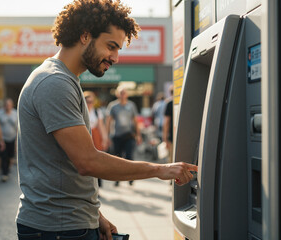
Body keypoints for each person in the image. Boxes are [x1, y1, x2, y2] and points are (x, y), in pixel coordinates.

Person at [15, 1, 197, 239]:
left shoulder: (64, 80)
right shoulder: (54, 82)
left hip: (67, 223)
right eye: (111, 46)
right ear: (84, 35)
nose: (116, 57)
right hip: (58, 228)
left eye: (118, 49)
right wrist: (160, 169)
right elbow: (87, 161)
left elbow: (63, 165)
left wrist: (94, 216)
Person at [106, 86, 141, 187]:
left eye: (124, 93)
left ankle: (130, 178)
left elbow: (135, 121)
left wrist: (138, 135)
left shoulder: (131, 105)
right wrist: (107, 136)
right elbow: (108, 122)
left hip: (129, 135)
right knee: (117, 158)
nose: (122, 95)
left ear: (127, 94)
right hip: (117, 136)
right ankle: (117, 179)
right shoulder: (113, 106)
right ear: (117, 94)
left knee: (129, 157)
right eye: (120, 93)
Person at [0, 98, 17, 182]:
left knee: (10, 156)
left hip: (12, 138)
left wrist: (17, 140)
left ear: (12, 105)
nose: (7, 106)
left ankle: (7, 170)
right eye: (6, 105)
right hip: (3, 138)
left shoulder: (15, 113)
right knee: (3, 156)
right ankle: (4, 173)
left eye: (9, 105)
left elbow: (18, 127)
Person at [163, 87, 174, 164]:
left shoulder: (169, 103)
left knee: (172, 160)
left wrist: (165, 138)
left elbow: (166, 122)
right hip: (184, 136)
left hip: (172, 137)